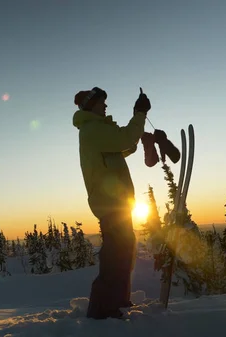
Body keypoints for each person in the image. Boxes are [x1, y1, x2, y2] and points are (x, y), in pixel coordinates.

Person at [72, 87, 151, 319]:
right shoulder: (92, 129)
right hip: (110, 204)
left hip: (116, 203)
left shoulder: (96, 130)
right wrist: (139, 114)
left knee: (123, 252)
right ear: (91, 104)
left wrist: (135, 139)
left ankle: (117, 302)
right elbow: (123, 139)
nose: (105, 106)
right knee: (115, 254)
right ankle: (102, 309)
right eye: (101, 102)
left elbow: (120, 147)